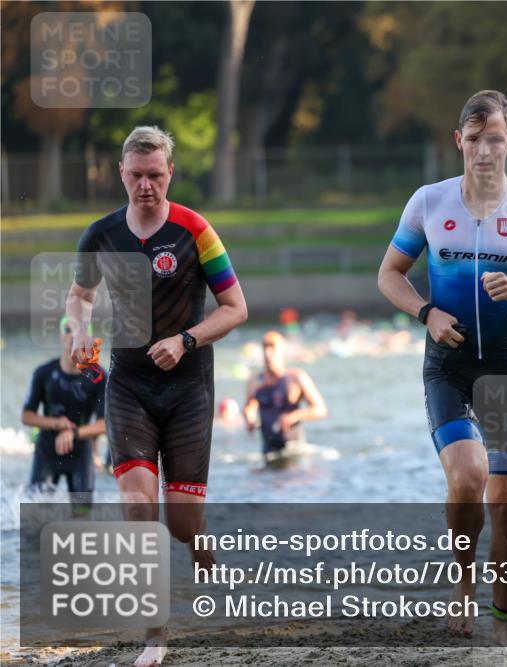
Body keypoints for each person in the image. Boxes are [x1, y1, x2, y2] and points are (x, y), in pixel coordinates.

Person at [377, 90, 507, 656]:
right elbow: (390, 274)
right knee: (468, 477)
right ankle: (464, 579)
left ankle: (505, 622)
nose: (484, 151)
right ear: (458, 142)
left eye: (494, 139)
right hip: (448, 367)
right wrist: (426, 312)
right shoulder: (428, 202)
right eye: (474, 140)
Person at [66, 125, 248, 667]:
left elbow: (236, 308)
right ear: (121, 174)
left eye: (155, 175)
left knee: (181, 521)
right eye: (136, 175)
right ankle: (155, 635)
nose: (146, 185)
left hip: (189, 388)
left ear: (170, 173)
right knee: (138, 508)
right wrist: (78, 329)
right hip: (128, 385)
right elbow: (80, 296)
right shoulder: (100, 235)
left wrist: (186, 339)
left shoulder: (196, 230)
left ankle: (198, 538)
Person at [21, 315, 107, 514]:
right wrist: (57, 423)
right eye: (68, 330)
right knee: (37, 515)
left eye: (79, 332)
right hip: (47, 449)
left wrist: (73, 433)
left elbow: (105, 425)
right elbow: (26, 416)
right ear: (61, 336)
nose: (73, 336)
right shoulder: (43, 373)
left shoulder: (99, 378)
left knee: (82, 517)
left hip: (80, 452)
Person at [244, 330, 327, 464]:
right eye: (265, 347)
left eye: (272, 347)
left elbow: (320, 409)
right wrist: (249, 418)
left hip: (294, 451)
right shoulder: (254, 381)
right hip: (268, 452)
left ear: (282, 350)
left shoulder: (296, 378)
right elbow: (249, 407)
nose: (268, 353)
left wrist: (293, 416)